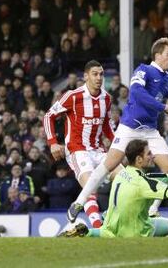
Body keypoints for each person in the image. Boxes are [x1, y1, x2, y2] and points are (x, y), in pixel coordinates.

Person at [67, 37, 168, 222]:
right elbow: (137, 93)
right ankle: (78, 202)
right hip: (129, 127)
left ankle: (152, 210)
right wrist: (162, 107)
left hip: (150, 131)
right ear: (157, 55)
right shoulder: (144, 70)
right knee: (108, 165)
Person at [59, 139, 168, 238]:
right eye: (149, 153)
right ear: (139, 159)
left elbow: (150, 178)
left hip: (110, 228)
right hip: (137, 232)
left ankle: (87, 232)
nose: (153, 156)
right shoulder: (142, 183)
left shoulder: (121, 173)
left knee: (109, 223)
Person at [43, 60, 115, 228]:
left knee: (125, 178)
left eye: (101, 74)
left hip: (99, 150)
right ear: (85, 76)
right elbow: (49, 116)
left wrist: (117, 144)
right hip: (77, 150)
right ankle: (97, 226)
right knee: (90, 186)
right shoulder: (73, 96)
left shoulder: (106, 98)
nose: (99, 78)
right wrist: (53, 142)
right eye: (95, 74)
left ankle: (109, 214)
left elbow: (107, 125)